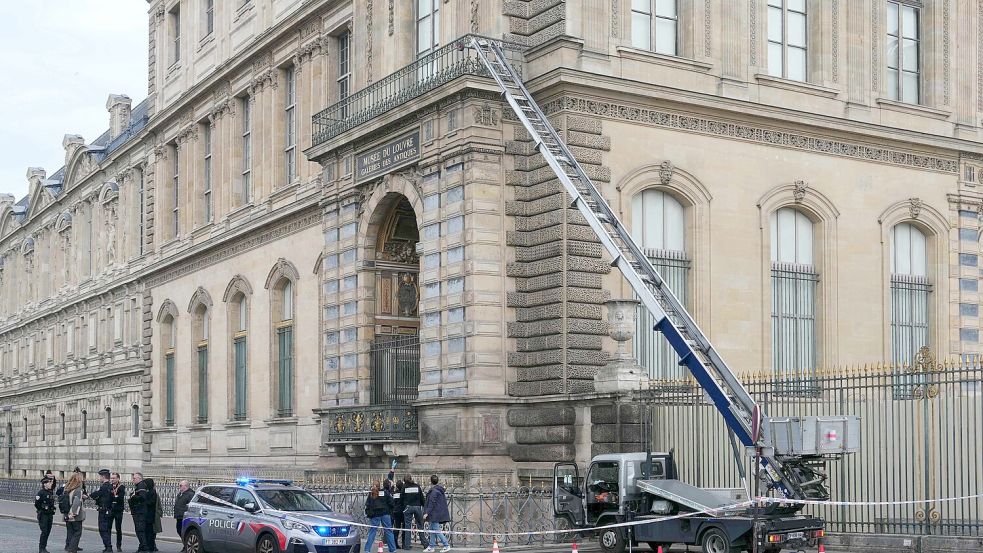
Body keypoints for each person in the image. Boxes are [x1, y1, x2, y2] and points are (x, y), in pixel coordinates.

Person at [363, 482, 397, 553]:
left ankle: (367, 549)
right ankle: (393, 549)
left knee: (372, 531)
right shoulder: (385, 493)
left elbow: (368, 505)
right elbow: (391, 503)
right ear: (380, 486)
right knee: (389, 531)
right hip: (385, 513)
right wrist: (390, 510)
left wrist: (369, 514)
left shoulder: (371, 494)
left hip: (375, 515)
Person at [87, 469, 115, 553]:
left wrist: (88, 495)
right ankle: (108, 547)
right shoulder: (110, 486)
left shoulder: (104, 487)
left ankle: (108, 547)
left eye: (100, 477)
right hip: (109, 510)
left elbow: (96, 494)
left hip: (104, 511)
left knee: (103, 529)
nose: (100, 478)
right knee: (107, 529)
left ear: (103, 476)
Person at [422, 475, 450, 553]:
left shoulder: (434, 491)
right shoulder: (439, 490)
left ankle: (446, 545)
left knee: (436, 530)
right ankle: (431, 546)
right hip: (436, 513)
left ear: (430, 482)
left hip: (434, 514)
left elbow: (431, 503)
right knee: (432, 530)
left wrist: (426, 513)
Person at [401, 475, 427, 549]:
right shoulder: (417, 486)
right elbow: (421, 497)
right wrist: (424, 506)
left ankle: (407, 545)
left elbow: (401, 498)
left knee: (407, 527)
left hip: (408, 507)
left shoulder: (404, 487)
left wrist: (403, 507)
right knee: (420, 525)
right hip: (417, 506)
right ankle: (425, 543)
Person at [64, 472, 87, 553]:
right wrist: (72, 514)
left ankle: (69, 547)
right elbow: (76, 503)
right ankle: (72, 549)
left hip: (67, 513)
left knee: (70, 532)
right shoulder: (78, 490)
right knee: (77, 532)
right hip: (74, 516)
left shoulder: (68, 489)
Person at [35, 477, 56, 553]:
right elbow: (37, 504)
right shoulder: (41, 493)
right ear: (45, 484)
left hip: (49, 514)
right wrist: (42, 509)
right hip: (43, 515)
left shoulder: (50, 492)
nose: (51, 484)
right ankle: (41, 548)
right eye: (49, 483)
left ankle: (44, 547)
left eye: (51, 483)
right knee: (44, 532)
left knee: (48, 531)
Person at [129, 473, 149, 552]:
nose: (133, 480)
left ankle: (144, 547)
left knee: (140, 530)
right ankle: (142, 546)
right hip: (138, 511)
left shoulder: (141, 486)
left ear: (139, 478)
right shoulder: (139, 486)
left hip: (140, 512)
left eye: (134, 478)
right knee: (139, 530)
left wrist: (133, 496)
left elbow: (142, 497)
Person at [173, 481, 194, 551]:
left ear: (186, 486)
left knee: (183, 532)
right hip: (179, 516)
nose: (179, 487)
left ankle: (186, 546)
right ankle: (185, 545)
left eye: (181, 485)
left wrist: (184, 511)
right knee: (179, 530)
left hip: (184, 516)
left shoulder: (190, 494)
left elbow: (190, 506)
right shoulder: (180, 494)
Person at [109, 473, 126, 552]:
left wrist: (114, 496)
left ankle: (119, 545)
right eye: (111, 478)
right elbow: (108, 497)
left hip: (118, 510)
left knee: (118, 528)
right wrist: (114, 496)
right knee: (108, 528)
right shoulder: (109, 486)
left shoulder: (121, 487)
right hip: (111, 510)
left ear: (118, 479)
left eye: (114, 478)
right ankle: (108, 545)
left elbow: (120, 498)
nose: (112, 479)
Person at [146, 478, 162, 552]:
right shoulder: (148, 492)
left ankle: (152, 547)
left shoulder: (153, 493)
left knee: (152, 532)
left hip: (153, 516)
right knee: (150, 532)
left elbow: (157, 504)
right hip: (150, 516)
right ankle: (152, 546)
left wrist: (159, 513)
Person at [392, 480, 407, 550]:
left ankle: (395, 543)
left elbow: (393, 502)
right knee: (404, 528)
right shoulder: (403, 493)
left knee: (396, 528)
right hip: (403, 511)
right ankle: (404, 543)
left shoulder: (395, 493)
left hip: (396, 511)